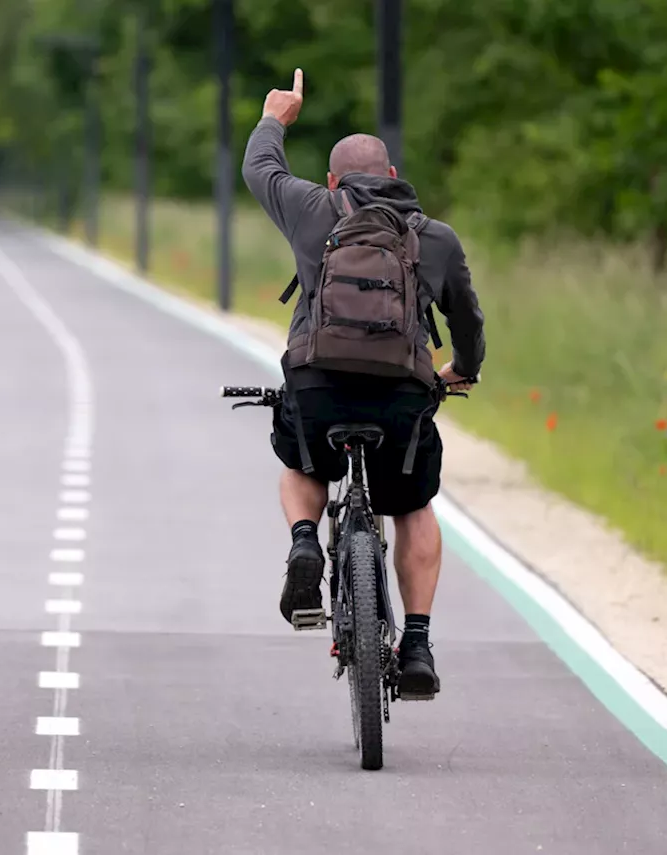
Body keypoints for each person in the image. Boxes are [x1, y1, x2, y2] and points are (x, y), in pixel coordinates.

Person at [241, 69, 485, 698]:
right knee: (413, 507)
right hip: (402, 394)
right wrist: (463, 369)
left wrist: (277, 117)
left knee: (301, 461)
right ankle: (420, 643)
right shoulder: (435, 237)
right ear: (396, 179)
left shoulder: (312, 211)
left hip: (318, 387)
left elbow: (259, 169)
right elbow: (467, 318)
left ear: (332, 182)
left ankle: (303, 544)